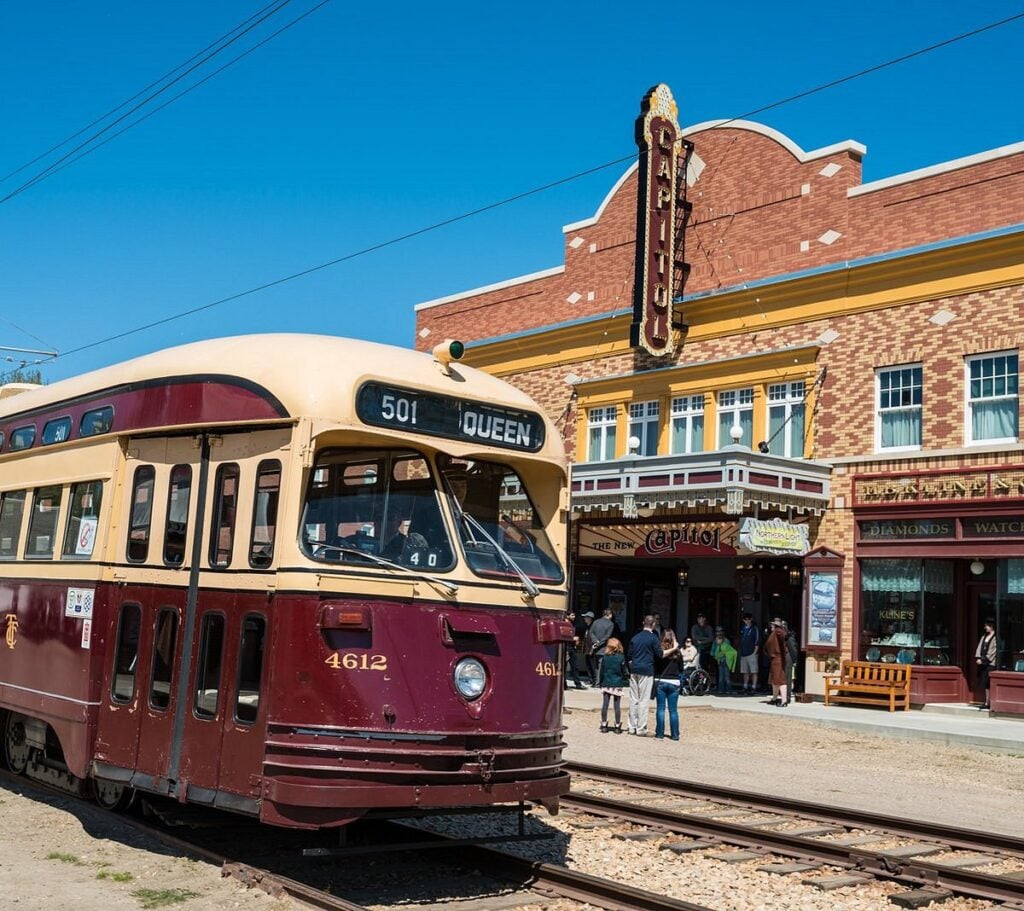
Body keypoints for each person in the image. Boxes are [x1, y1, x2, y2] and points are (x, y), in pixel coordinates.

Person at [626, 615, 663, 735]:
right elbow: (659, 654)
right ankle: (641, 728)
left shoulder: (635, 638)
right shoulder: (653, 638)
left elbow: (629, 656)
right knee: (644, 700)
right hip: (647, 670)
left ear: (643, 623)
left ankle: (632, 726)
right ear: (653, 625)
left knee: (633, 699)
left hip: (634, 669)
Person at [654, 630, 682, 740]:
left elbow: (655, 665)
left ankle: (660, 733)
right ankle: (675, 734)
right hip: (674, 681)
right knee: (673, 710)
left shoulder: (659, 651)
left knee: (660, 708)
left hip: (661, 680)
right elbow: (681, 669)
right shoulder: (678, 653)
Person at [598, 638, 628, 733]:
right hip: (617, 682)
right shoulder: (621, 657)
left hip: (606, 682)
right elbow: (624, 671)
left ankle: (604, 724)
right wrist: (625, 678)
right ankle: (617, 726)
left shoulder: (605, 657)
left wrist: (601, 682)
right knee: (617, 705)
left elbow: (602, 671)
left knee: (605, 704)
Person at [587, 608, 616, 687]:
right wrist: (599, 643)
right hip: (604, 647)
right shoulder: (611, 624)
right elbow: (607, 636)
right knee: (601, 666)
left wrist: (595, 641)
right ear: (609, 615)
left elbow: (591, 632)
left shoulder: (596, 622)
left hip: (595, 647)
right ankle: (599, 682)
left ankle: (596, 681)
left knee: (596, 666)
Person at [764, 618, 789, 706]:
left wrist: (780, 629)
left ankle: (784, 700)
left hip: (778, 658)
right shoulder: (774, 633)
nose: (771, 626)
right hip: (774, 659)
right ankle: (775, 698)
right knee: (774, 680)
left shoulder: (778, 631)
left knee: (780, 680)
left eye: (772, 625)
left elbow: (783, 635)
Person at [975, 618, 997, 710]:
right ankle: (986, 702)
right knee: (985, 683)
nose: (985, 627)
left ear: (991, 626)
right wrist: (978, 657)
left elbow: (993, 651)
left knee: (989, 683)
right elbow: (979, 647)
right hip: (983, 663)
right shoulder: (984, 636)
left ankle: (992, 702)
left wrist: (984, 660)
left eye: (986, 626)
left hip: (991, 663)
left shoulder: (995, 637)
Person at [738, 612, 761, 694]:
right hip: (744, 653)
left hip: (752, 652)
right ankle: (745, 686)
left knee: (754, 671)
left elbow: (757, 641)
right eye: (745, 619)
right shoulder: (743, 628)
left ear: (751, 619)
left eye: (748, 619)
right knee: (745, 671)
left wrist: (755, 652)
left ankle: (754, 687)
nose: (747, 621)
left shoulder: (755, 628)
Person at [710, 628, 737, 695]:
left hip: (726, 661)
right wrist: (715, 656)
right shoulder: (715, 641)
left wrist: (718, 655)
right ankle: (721, 689)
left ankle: (728, 689)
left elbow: (726, 652)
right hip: (720, 661)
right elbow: (713, 652)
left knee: (726, 676)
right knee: (721, 676)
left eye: (720, 631)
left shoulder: (726, 641)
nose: (718, 633)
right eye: (717, 632)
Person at [563, 611, 585, 690]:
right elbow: (563, 635)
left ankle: (577, 683)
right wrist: (572, 638)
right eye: (572, 615)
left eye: (574, 615)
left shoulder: (572, 624)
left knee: (575, 666)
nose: (574, 617)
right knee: (564, 667)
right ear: (567, 615)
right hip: (567, 647)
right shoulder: (564, 623)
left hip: (572, 647)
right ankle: (564, 684)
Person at [784, 620, 800, 696]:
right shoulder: (784, 636)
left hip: (790, 659)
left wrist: (794, 660)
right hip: (785, 659)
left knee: (791, 676)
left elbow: (793, 650)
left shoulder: (790, 638)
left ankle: (789, 691)